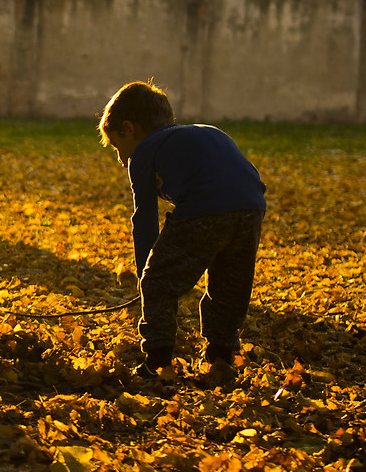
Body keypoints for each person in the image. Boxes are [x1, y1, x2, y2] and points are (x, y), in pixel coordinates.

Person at [98, 80, 267, 382]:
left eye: (117, 146)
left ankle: (157, 361)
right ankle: (221, 357)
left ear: (129, 129)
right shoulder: (208, 132)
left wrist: (146, 275)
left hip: (205, 207)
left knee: (160, 283)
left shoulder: (144, 151)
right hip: (251, 206)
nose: (121, 160)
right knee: (229, 284)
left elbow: (145, 217)